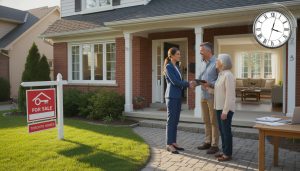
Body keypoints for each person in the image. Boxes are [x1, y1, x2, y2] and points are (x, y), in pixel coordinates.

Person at [164, 47, 196, 154]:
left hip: (178, 97)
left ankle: (173, 142)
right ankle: (169, 144)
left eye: (179, 54)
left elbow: (180, 80)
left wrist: (189, 82)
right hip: (171, 97)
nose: (179, 55)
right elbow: (175, 82)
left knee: (176, 120)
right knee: (171, 120)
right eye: (177, 54)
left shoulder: (177, 66)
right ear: (171, 56)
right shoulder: (168, 67)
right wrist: (188, 84)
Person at [197, 42, 219, 154]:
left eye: (201, 50)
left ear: (208, 51)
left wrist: (210, 84)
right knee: (206, 120)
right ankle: (207, 141)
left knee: (213, 121)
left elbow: (220, 80)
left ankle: (215, 145)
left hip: (212, 96)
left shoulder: (217, 62)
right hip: (203, 96)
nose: (200, 52)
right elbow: (201, 77)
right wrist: (196, 82)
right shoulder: (202, 63)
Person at [214, 54, 236, 162]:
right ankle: (224, 151)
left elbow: (230, 95)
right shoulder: (221, 74)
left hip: (225, 109)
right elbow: (218, 92)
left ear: (222, 62)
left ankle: (228, 154)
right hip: (218, 108)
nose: (216, 61)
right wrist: (207, 88)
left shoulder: (228, 75)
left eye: (217, 60)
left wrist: (225, 111)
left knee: (226, 131)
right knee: (222, 131)